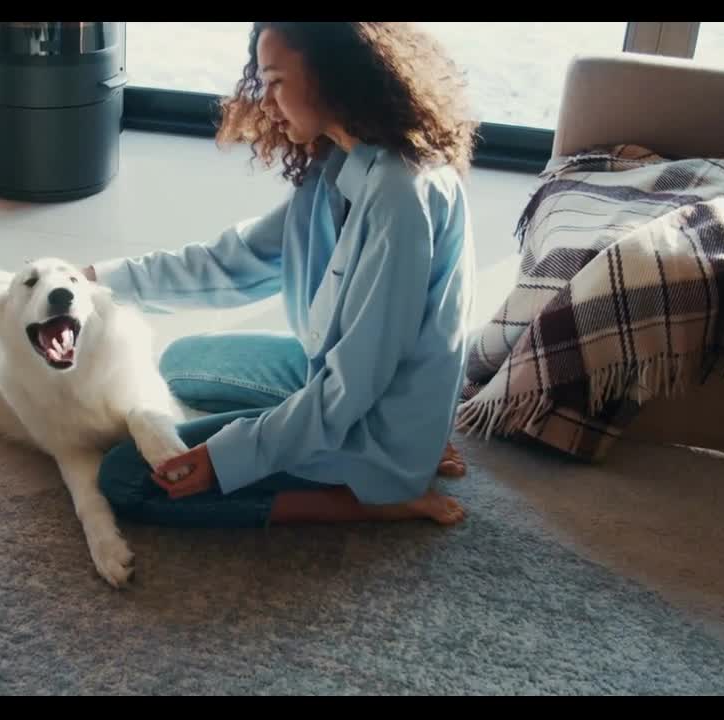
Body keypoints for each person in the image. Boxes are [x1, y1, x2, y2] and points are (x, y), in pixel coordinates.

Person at [85, 22, 478, 528]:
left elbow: (352, 389)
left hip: (371, 421)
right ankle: (412, 442)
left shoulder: (401, 197)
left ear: (333, 76)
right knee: (180, 362)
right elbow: (232, 261)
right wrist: (93, 279)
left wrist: (228, 458)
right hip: (341, 380)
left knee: (124, 478)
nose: (265, 104)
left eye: (274, 82)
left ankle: (377, 499)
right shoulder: (340, 163)